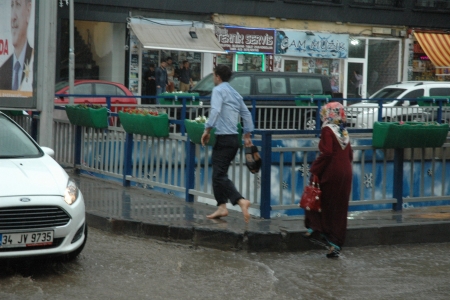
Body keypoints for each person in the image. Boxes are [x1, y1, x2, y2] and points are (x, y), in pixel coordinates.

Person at [201, 65, 254, 223]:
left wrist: (207, 129)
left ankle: (239, 200)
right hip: (234, 140)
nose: (213, 78)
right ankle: (222, 207)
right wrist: (247, 134)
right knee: (218, 173)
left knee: (219, 175)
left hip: (223, 138)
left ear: (217, 76)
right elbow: (246, 113)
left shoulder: (218, 90)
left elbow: (215, 110)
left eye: (213, 76)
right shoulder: (234, 92)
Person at [303, 102, 353, 258]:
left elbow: (327, 153)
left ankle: (315, 228)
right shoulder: (343, 131)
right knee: (339, 208)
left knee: (320, 200)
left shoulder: (327, 129)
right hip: (346, 172)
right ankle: (335, 244)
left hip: (332, 172)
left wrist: (315, 169)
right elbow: (350, 154)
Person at [0, 0, 33, 91]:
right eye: (11, 6)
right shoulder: (2, 71)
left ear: (28, 10)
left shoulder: (35, 60)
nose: (13, 17)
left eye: (18, 5)